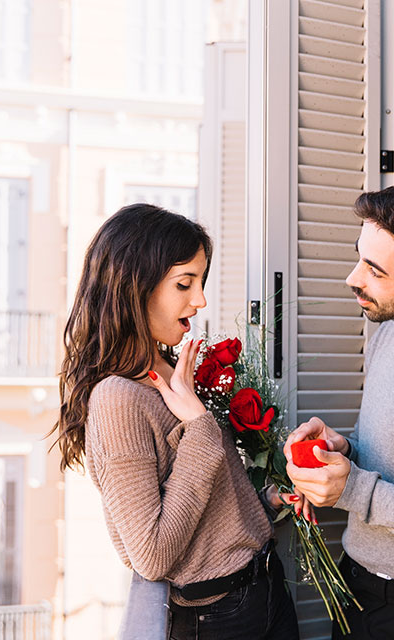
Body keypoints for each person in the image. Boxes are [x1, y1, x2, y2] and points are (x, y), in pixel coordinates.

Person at [53, 203, 299, 640]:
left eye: (200, 283)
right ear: (134, 287)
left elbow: (208, 515)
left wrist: (270, 500)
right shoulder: (117, 399)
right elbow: (153, 555)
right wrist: (201, 427)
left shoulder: (174, 373)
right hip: (217, 618)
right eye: (184, 284)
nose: (199, 300)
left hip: (265, 587)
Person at [284, 181, 394, 640]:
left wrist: (354, 490)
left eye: (374, 270)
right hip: (356, 586)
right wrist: (344, 450)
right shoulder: (390, 333)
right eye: (359, 258)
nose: (352, 278)